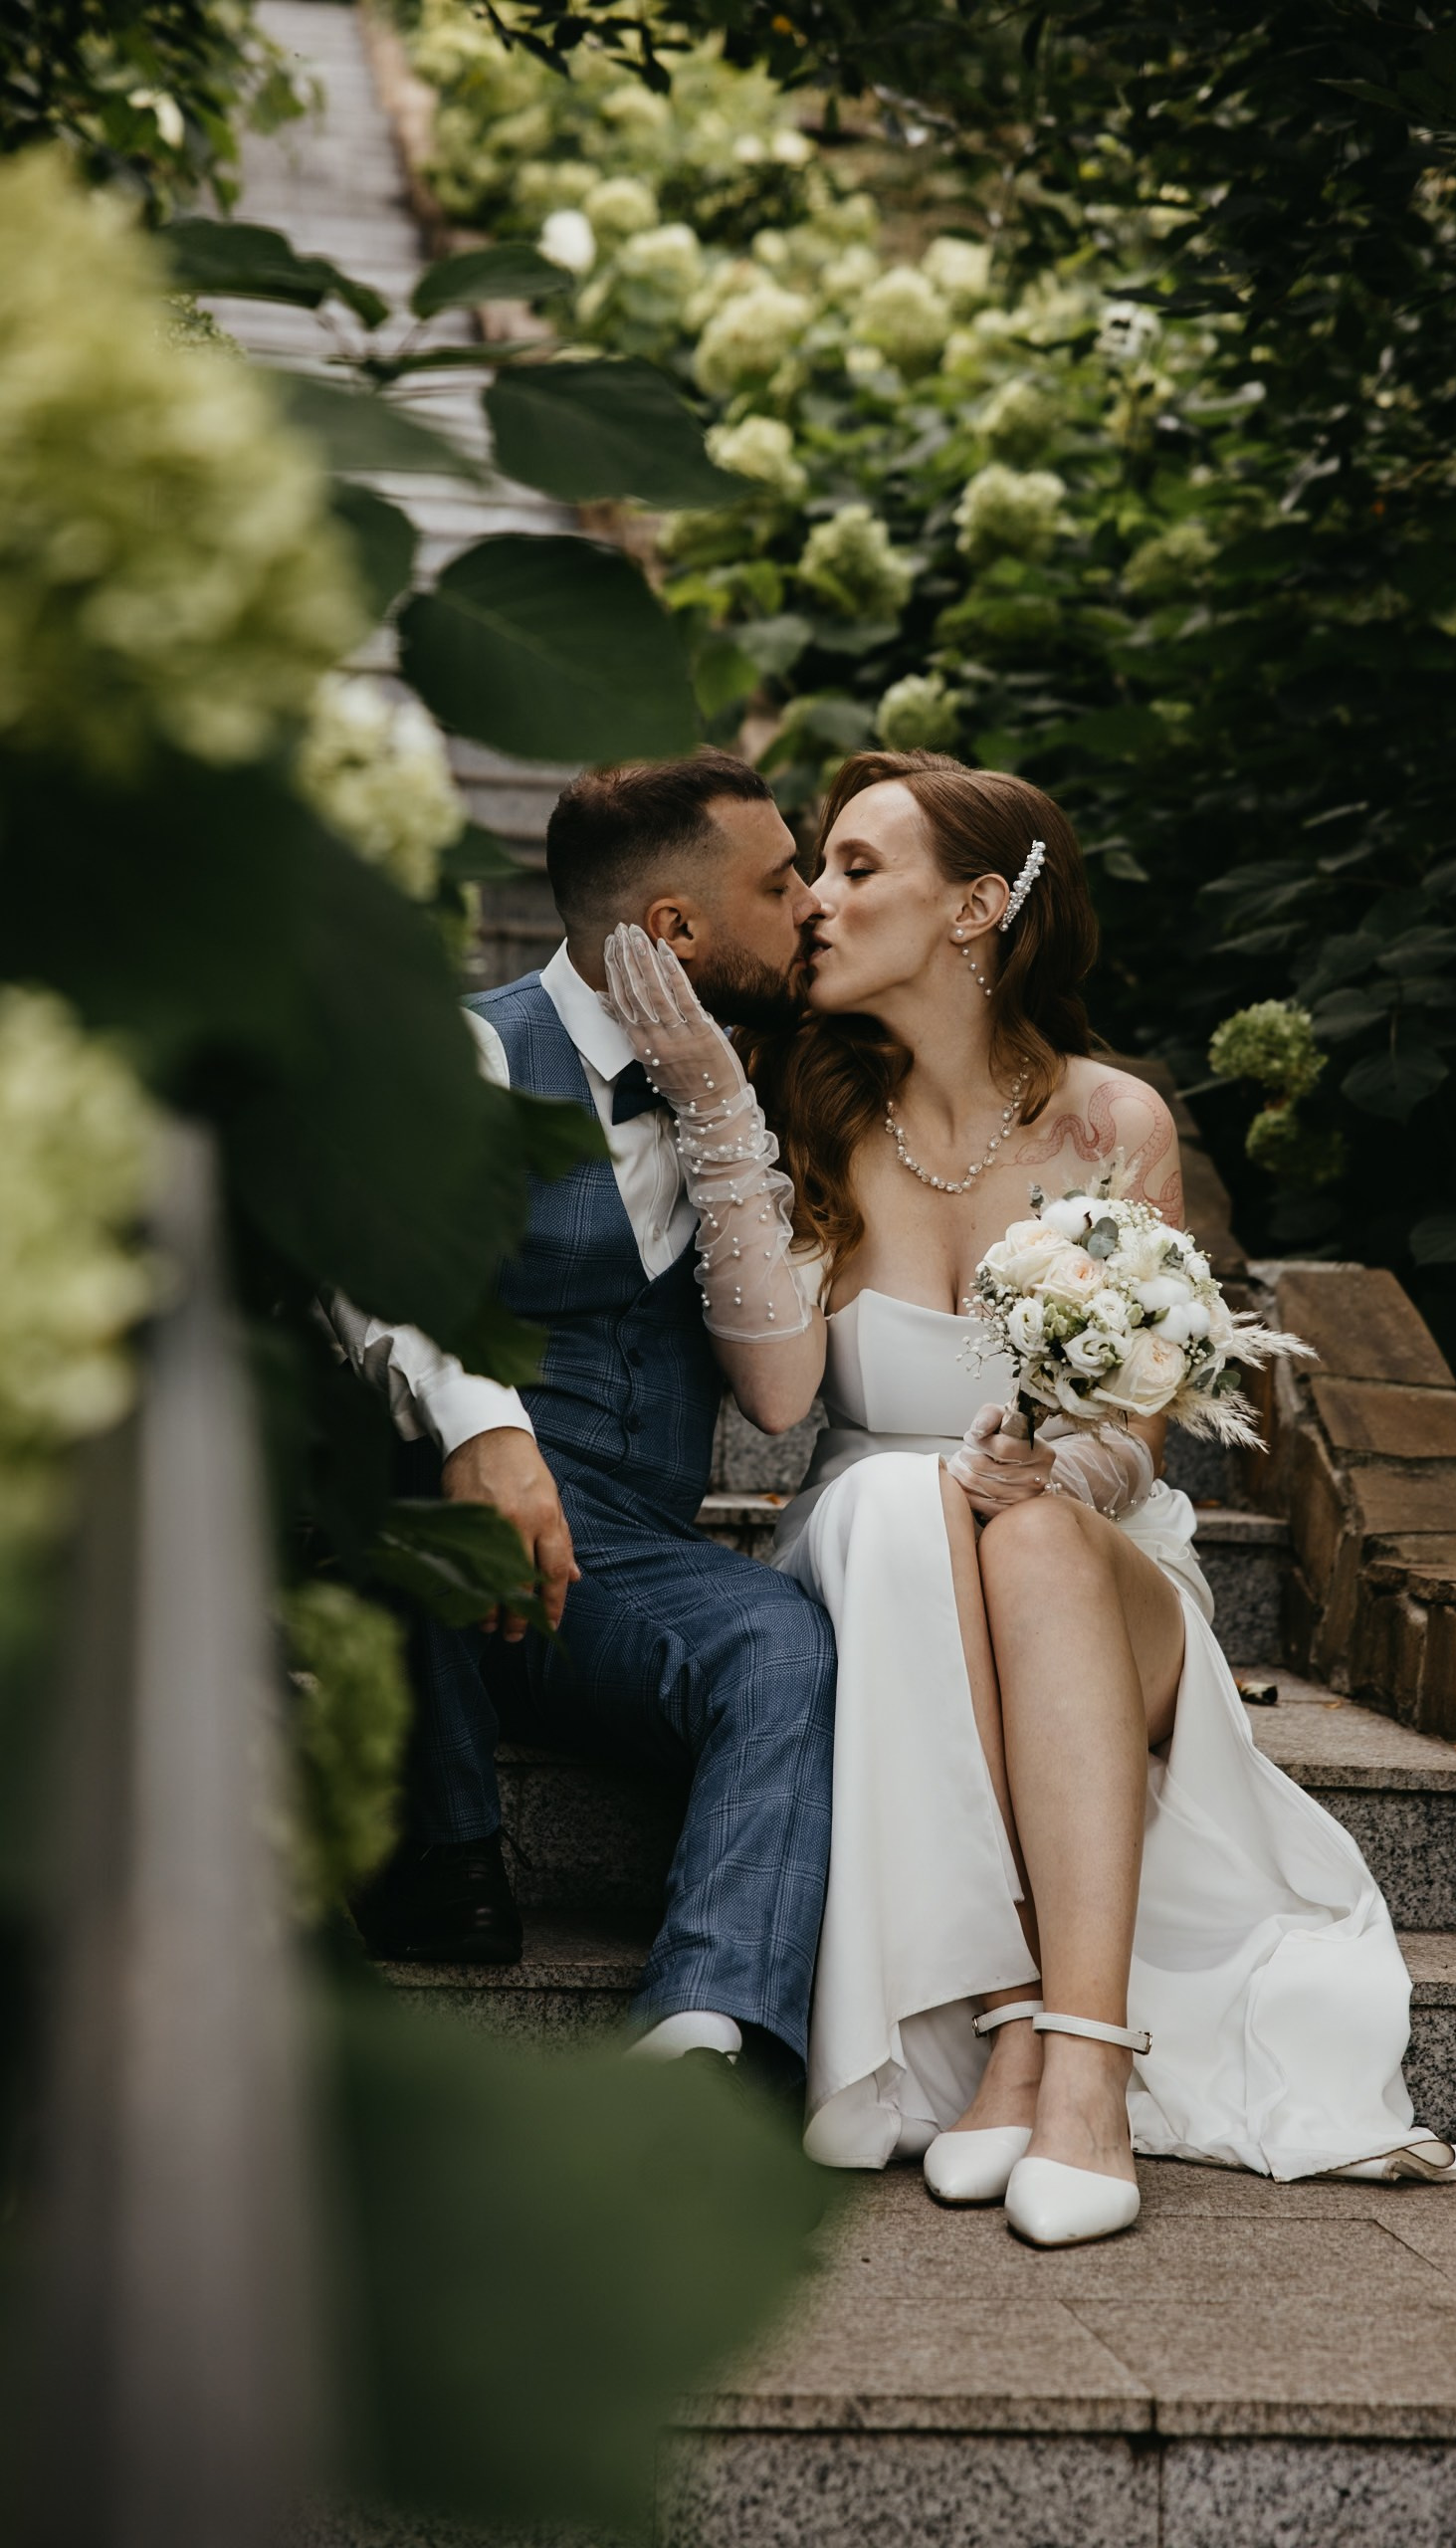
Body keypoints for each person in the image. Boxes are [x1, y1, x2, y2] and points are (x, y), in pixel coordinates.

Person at [601, 748, 1456, 2247]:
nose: (815, 902)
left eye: (856, 869)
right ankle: (1016, 2016)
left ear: (975, 909)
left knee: (1030, 1528)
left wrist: (1057, 1468)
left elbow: (1142, 1431)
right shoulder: (799, 1107)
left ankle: (1070, 2061)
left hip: (1085, 1557)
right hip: (876, 1549)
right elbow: (772, 1400)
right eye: (813, 869)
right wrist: (715, 1110)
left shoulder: (1114, 1124)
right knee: (906, 1503)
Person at [334, 751, 835, 2090]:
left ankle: (704, 2027)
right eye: (780, 882)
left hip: (624, 1571)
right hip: (443, 1538)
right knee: (384, 1436)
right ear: (676, 928)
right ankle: (442, 1846)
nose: (813, 907)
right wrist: (481, 1426)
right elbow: (376, 1262)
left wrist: (726, 1115)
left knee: (782, 1640)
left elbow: (778, 1389)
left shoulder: (770, 1081)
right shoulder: (474, 1049)